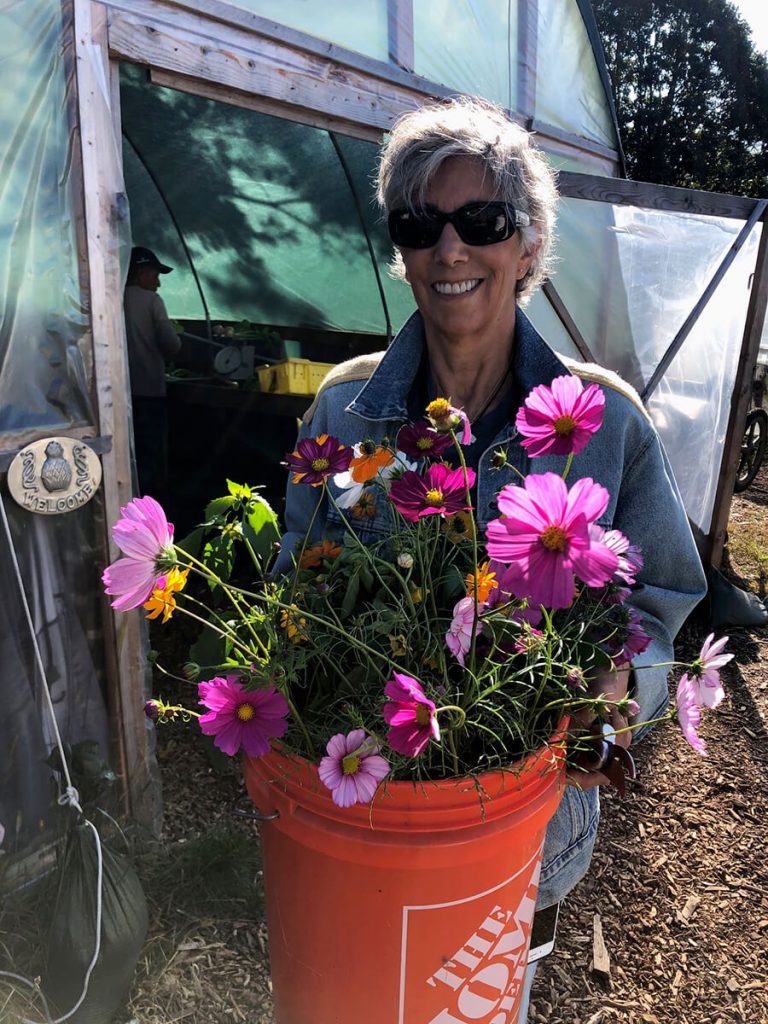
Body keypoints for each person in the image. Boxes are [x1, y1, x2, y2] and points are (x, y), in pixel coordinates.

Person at [277, 97, 707, 1018]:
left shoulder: (604, 420)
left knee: (486, 995)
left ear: (526, 243)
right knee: (366, 993)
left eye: (482, 221)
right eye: (419, 224)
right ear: (399, 245)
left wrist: (617, 691)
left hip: (533, 823)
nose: (450, 250)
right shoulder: (344, 414)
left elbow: (664, 597)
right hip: (370, 808)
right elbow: (293, 582)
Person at [124, 245, 181, 504]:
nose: (158, 283)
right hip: (149, 391)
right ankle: (154, 510)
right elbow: (171, 344)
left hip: (122, 394)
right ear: (140, 273)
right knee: (152, 458)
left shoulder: (113, 298)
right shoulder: (152, 302)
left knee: (129, 455)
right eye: (155, 275)